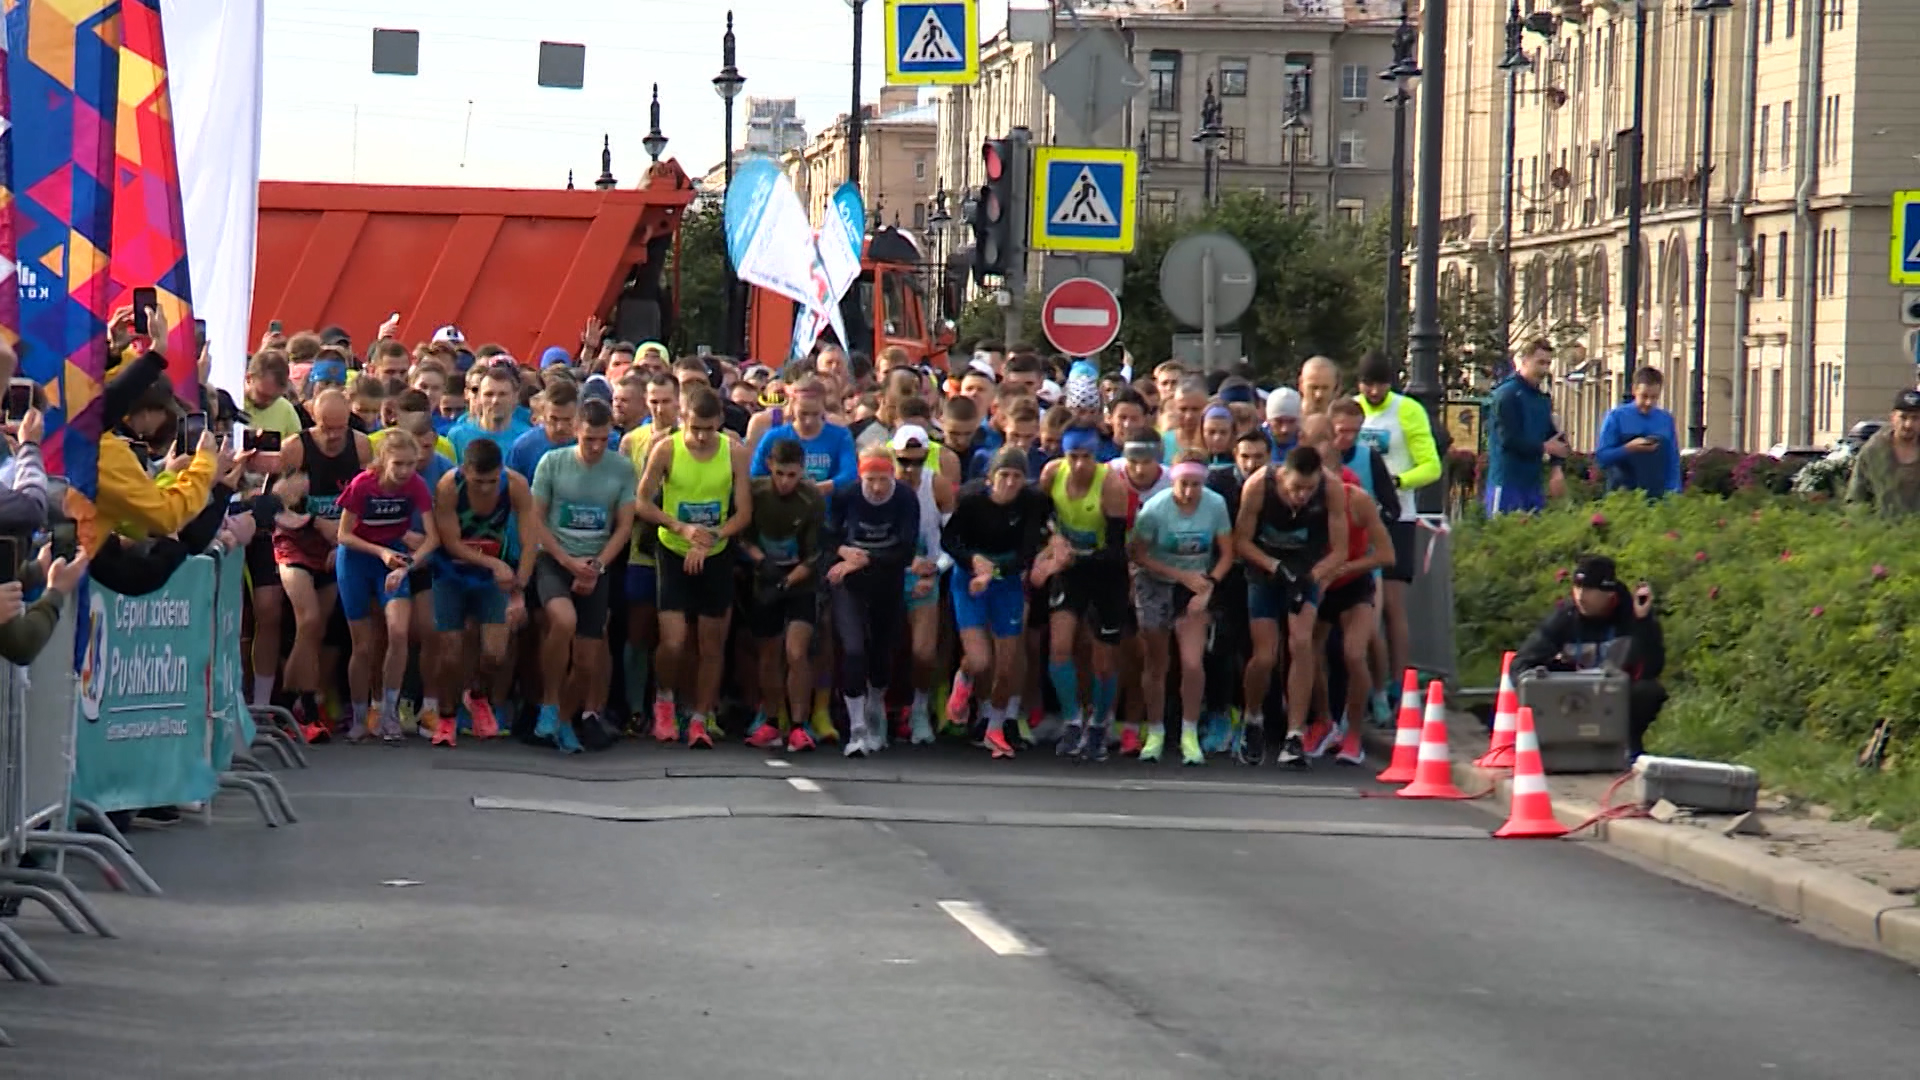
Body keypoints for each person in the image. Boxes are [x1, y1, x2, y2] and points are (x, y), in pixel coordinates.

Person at [635, 387, 751, 747]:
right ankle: (665, 702)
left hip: (715, 552)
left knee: (711, 642)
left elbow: (744, 512)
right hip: (673, 548)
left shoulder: (733, 452)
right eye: (694, 428)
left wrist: (713, 536)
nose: (700, 437)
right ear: (683, 420)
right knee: (673, 641)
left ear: (718, 422)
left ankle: (701, 716)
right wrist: (681, 528)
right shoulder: (667, 449)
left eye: (707, 429)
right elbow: (641, 502)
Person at [530, 398, 639, 752]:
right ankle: (548, 701)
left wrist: (597, 566)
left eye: (602, 440)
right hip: (555, 558)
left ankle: (564, 720)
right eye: (588, 439)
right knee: (562, 620)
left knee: (588, 657)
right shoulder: (553, 462)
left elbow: (623, 527)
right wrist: (566, 561)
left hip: (597, 561)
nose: (595, 447)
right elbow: (536, 519)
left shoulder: (621, 469)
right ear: (575, 431)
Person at [1236, 445, 1349, 766]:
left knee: (1301, 643)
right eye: (1296, 488)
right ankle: (1252, 718)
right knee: (1265, 655)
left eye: (1308, 489)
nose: (1302, 495)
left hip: (1305, 568)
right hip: (1265, 568)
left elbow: (1339, 550)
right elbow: (1241, 541)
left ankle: (1294, 733)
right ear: (1283, 475)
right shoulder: (1260, 484)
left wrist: (1311, 576)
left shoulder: (1331, 489)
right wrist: (1274, 567)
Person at [431, 437, 543, 745]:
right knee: (450, 651)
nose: (485, 487)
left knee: (496, 652)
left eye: (492, 481)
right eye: (478, 481)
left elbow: (529, 538)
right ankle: (446, 715)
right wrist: (494, 564)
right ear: (465, 470)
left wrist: (519, 588)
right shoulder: (448, 486)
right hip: (451, 570)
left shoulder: (515, 486)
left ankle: (478, 694)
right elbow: (451, 542)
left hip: (494, 573)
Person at [942, 446, 1050, 759]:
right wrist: (974, 561)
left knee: (1008, 663)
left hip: (1006, 583)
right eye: (1004, 475)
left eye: (1017, 476)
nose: (1010, 483)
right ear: (990, 478)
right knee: (979, 660)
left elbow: (1027, 550)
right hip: (970, 581)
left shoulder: (1030, 503)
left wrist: (997, 571)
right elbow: (951, 540)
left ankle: (996, 727)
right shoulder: (972, 500)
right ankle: (963, 678)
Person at [1127, 451, 1234, 766]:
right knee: (1157, 661)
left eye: (1196, 485)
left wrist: (1208, 583)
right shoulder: (1157, 509)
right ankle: (1156, 729)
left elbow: (1227, 552)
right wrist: (1180, 576)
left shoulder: (1215, 505)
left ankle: (1188, 731)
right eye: (1184, 484)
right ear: (1173, 481)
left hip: (1196, 584)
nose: (1189, 493)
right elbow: (1139, 555)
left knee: (1192, 662)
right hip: (1158, 581)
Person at [334, 429, 440, 743]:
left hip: (394, 561)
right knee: (363, 645)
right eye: (399, 464)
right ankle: (358, 713)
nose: (405, 471)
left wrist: (407, 565)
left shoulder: (416, 486)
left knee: (398, 632)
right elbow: (343, 534)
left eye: (411, 464)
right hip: (358, 559)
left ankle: (390, 713)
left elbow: (432, 538)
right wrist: (381, 552)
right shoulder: (363, 485)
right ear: (384, 460)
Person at [1513, 555, 1667, 760]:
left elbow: (1652, 668)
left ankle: (1628, 745)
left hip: (1615, 694)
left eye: (1589, 590)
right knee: (1533, 683)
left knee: (1648, 691)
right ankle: (1553, 743)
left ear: (1609, 593)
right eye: (1577, 588)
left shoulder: (1631, 616)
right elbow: (1521, 663)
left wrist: (1643, 622)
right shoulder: (1565, 617)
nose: (1580, 597)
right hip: (1570, 694)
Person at [1038, 425, 1133, 761]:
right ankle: (1072, 720)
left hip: (1105, 574)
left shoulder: (1110, 485)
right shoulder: (1052, 473)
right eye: (1073, 457)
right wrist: (1053, 539)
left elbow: (1116, 550)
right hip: (1070, 572)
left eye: (1087, 457)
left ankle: (1098, 723)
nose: (1079, 465)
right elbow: (1040, 515)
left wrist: (1072, 555)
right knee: (1060, 646)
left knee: (1103, 660)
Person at [825, 445, 921, 756]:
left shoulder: (905, 498)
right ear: (860, 478)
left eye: (883, 479)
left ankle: (876, 705)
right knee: (853, 650)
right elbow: (825, 536)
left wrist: (863, 559)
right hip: (850, 584)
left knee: (881, 652)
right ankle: (857, 729)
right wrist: (841, 553)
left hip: (887, 581)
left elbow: (905, 551)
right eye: (870, 480)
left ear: (893, 475)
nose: (877, 488)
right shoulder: (846, 496)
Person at [739, 437, 825, 752]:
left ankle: (800, 725)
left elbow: (815, 555)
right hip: (764, 576)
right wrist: (762, 563)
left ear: (802, 472)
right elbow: (741, 537)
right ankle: (772, 721)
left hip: (800, 581)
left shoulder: (811, 498)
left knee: (796, 651)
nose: (785, 481)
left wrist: (788, 581)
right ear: (769, 468)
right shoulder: (755, 492)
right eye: (779, 473)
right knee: (768, 653)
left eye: (792, 475)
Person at [1485, 339, 1569, 514]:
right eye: (1540, 362)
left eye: (1548, 363)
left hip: (1532, 483)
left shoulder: (1542, 399)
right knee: (1501, 534)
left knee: (1533, 533)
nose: (1544, 369)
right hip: (1507, 480)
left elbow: (1554, 436)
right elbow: (1508, 439)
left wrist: (1557, 468)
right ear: (1524, 361)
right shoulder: (1507, 394)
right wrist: (1545, 447)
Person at [1594, 366, 1682, 497]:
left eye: (1654, 397)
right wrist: (1628, 448)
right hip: (1622, 495)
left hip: (1657, 496)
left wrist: (1674, 491)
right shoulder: (1616, 417)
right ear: (1634, 390)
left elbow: (1672, 460)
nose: (1649, 402)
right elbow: (1602, 457)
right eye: (1644, 396)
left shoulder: (1665, 420)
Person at [1846, 389, 1920, 517]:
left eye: (1915, 418)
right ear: (1893, 418)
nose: (1908, 424)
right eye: (1903, 417)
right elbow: (1855, 497)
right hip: (1882, 532)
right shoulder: (1873, 451)